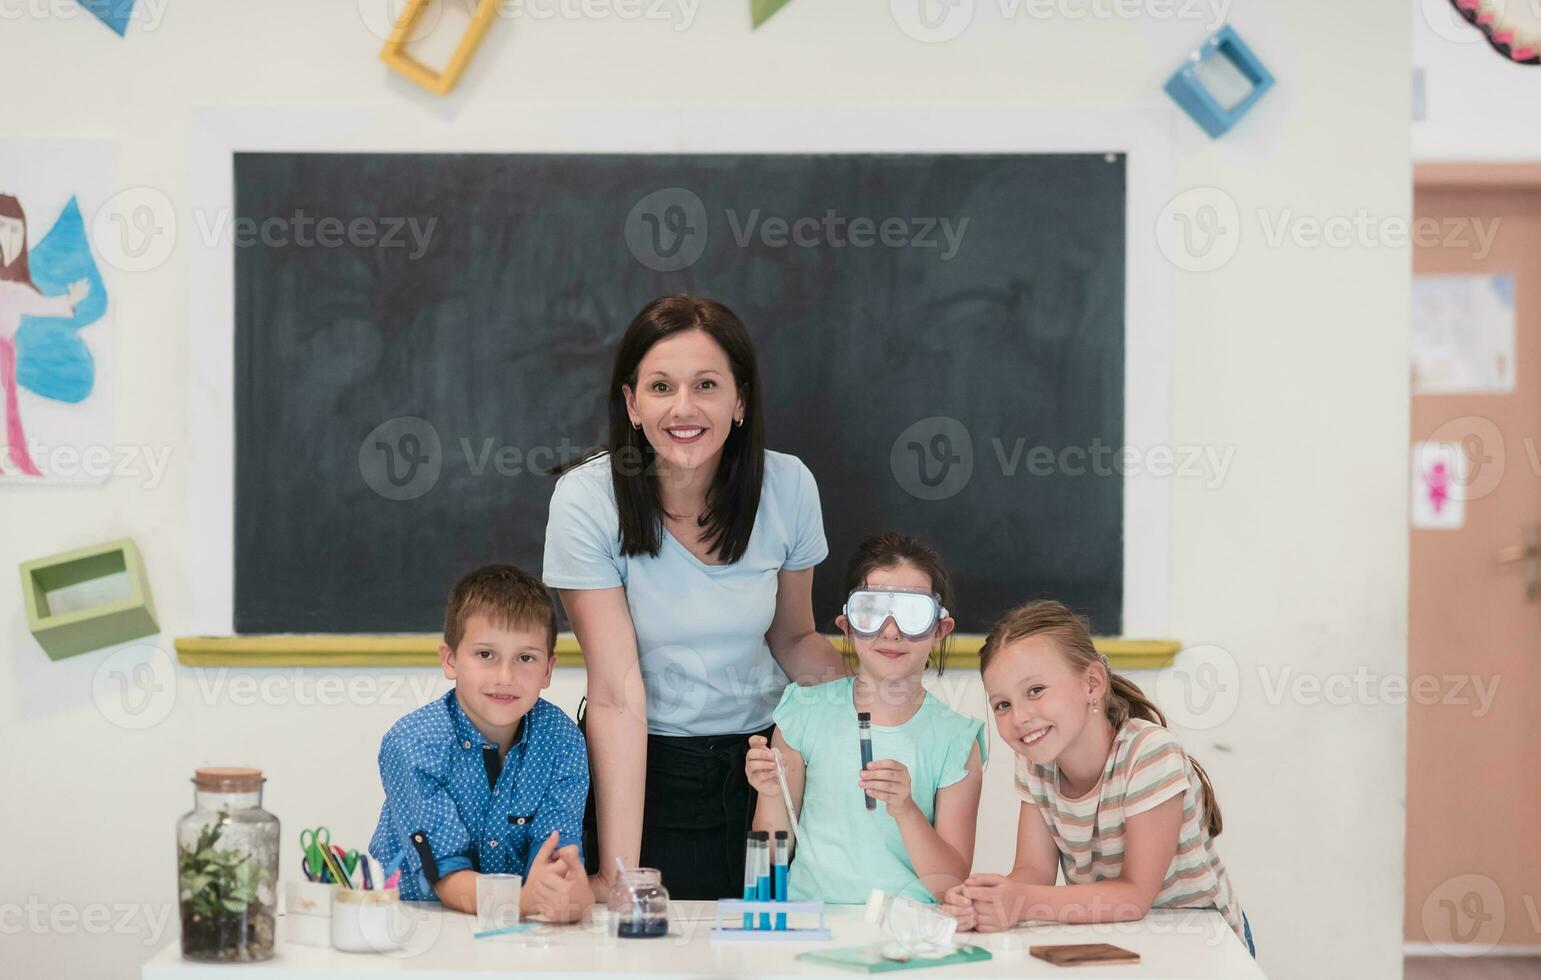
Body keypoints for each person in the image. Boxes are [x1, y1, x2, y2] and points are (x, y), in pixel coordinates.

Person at [543, 293, 845, 901]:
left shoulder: (788, 486)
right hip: (647, 773)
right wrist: (619, 872)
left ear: (740, 400)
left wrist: (879, 710)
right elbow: (615, 691)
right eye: (660, 387)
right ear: (631, 403)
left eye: (706, 384)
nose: (684, 408)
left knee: (778, 951)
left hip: (767, 768)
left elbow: (793, 638)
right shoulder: (586, 500)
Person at [942, 599, 1253, 957]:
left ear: (1092, 684)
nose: (1021, 717)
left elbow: (1135, 896)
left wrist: (1022, 903)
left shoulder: (1149, 754)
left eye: (1035, 690)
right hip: (1122, 940)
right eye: (1003, 704)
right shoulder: (1036, 765)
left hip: (1203, 946)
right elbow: (1033, 872)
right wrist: (987, 898)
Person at [745, 533, 986, 903]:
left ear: (940, 630)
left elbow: (949, 885)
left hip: (907, 934)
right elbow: (772, 852)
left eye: (912, 615)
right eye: (871, 612)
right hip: (814, 926)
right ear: (847, 625)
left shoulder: (957, 741)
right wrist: (771, 792)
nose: (891, 630)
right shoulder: (803, 714)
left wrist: (906, 810)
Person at [369, 564, 592, 922]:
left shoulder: (563, 741)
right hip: (415, 923)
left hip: (516, 930)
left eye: (525, 658)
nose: (505, 677)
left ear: (548, 670)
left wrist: (565, 890)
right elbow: (447, 879)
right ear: (451, 660)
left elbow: (556, 854)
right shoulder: (413, 744)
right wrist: (522, 902)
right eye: (486, 655)